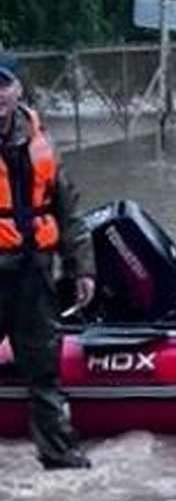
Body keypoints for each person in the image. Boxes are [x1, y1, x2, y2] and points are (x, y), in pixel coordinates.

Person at [0, 52, 95, 469]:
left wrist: (82, 268)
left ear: (18, 89)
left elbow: (68, 212)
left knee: (43, 372)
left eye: (2, 84)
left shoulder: (42, 145)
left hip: (34, 274)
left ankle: (59, 456)